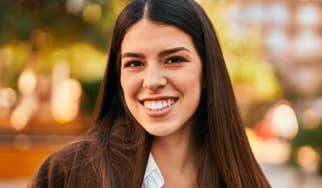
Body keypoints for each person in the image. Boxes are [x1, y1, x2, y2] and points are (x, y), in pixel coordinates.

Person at [29, 0, 270, 187]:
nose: (152, 81)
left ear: (207, 71)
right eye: (134, 63)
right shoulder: (68, 173)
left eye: (174, 60)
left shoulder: (242, 178)